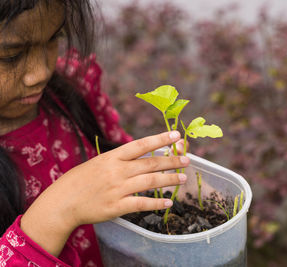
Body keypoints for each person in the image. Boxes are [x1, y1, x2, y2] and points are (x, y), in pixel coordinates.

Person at [0, 0, 190, 266]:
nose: (40, 72)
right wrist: (57, 211)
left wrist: (158, 170)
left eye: (53, 38)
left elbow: (118, 167)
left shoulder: (72, 93)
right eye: (10, 56)